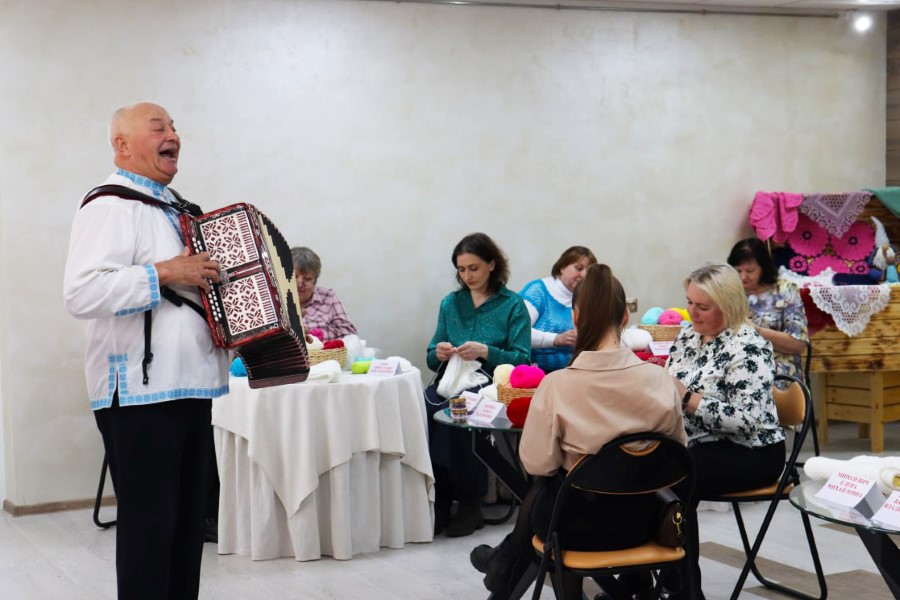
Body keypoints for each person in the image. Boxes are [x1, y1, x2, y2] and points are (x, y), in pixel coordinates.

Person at [63, 102, 230, 600]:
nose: (172, 134)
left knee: (187, 529)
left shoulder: (178, 209)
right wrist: (166, 272)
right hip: (139, 391)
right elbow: (82, 294)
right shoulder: (109, 204)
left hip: (193, 384)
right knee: (150, 530)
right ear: (122, 144)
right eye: (158, 127)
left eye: (174, 126)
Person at [469, 264, 687, 600]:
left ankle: (505, 564)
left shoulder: (558, 385)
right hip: (649, 524)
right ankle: (505, 563)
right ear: (625, 318)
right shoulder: (661, 379)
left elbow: (537, 464)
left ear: (575, 317)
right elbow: (677, 454)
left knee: (549, 486)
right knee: (557, 488)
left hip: (576, 530)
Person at [666, 261, 786, 600]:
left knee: (673, 479)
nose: (692, 312)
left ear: (729, 306)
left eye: (703, 307)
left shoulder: (749, 346)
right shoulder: (688, 335)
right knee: (641, 469)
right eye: (689, 302)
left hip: (753, 450)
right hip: (699, 444)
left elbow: (745, 419)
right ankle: (646, 583)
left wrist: (686, 398)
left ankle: (684, 592)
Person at [425, 232, 531, 538]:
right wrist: (439, 353)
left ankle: (468, 501)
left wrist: (486, 351)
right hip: (452, 379)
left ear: (492, 265)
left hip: (491, 383)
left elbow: (522, 360)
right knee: (426, 405)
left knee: (461, 409)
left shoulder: (512, 305)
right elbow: (431, 357)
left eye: (474, 268)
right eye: (461, 269)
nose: (467, 276)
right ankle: (441, 497)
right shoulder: (451, 303)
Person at [727, 237, 809, 383]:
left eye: (750, 270)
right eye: (738, 271)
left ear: (763, 267)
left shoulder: (785, 291)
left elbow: (798, 344)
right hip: (739, 367)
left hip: (779, 372)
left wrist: (757, 331)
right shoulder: (732, 293)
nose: (743, 277)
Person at [519, 246, 597, 372]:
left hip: (577, 371)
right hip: (536, 372)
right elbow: (519, 333)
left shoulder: (590, 298)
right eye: (579, 268)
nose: (584, 275)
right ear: (562, 267)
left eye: (589, 271)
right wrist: (556, 339)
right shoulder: (537, 291)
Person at [291, 246, 358, 341]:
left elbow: (349, 332)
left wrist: (313, 334)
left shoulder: (328, 296)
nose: (300, 283)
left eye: (307, 279)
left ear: (315, 281)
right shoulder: (274, 299)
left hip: (322, 349)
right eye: (294, 277)